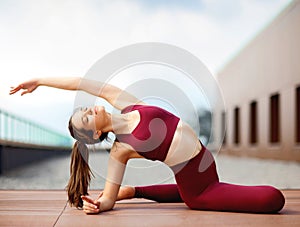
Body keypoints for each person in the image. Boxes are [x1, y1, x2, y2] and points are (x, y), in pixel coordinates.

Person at [10, 77, 285, 214]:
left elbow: (82, 82)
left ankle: (133, 191)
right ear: (94, 136)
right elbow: (106, 198)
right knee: (274, 199)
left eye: (85, 108)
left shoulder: (129, 103)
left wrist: (42, 81)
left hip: (206, 164)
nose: (91, 109)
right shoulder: (121, 149)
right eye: (86, 117)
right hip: (200, 191)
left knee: (267, 198)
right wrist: (99, 205)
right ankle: (133, 192)